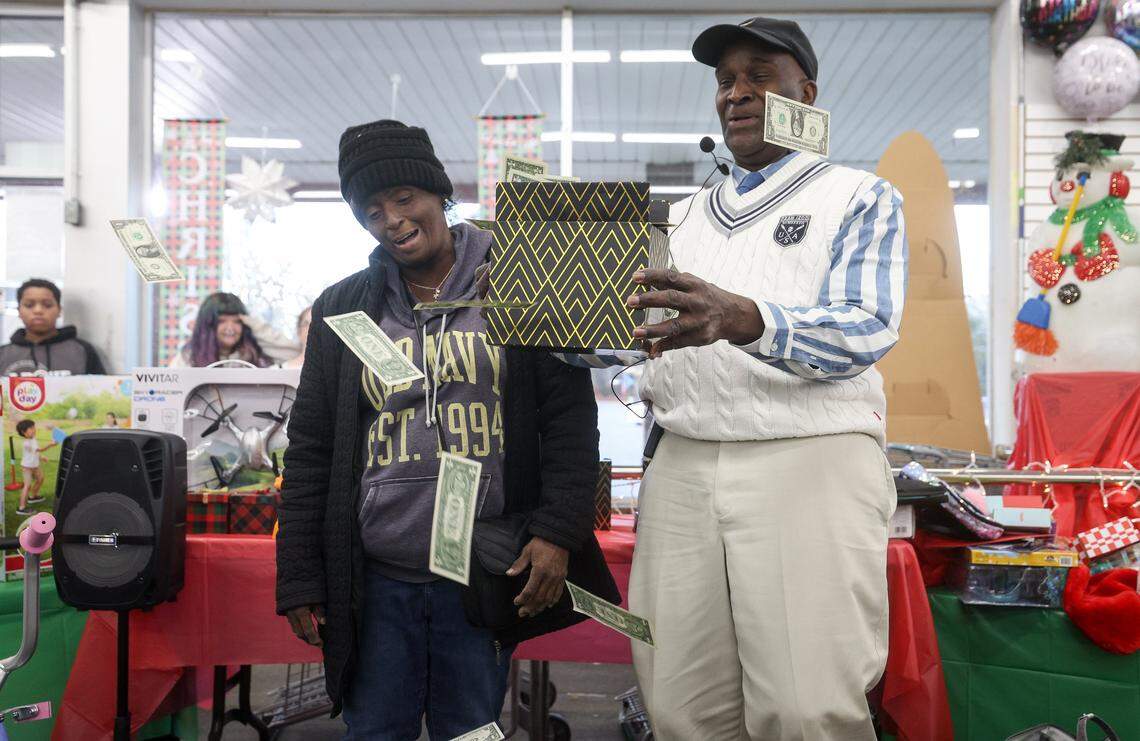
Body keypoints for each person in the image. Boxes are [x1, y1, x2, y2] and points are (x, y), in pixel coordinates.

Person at [568, 18, 908, 740]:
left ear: (805, 94)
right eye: (725, 80)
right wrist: (551, 325)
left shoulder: (858, 196)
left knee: (804, 705)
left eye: (760, 74)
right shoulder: (679, 217)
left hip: (807, 458)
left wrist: (746, 318)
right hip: (684, 460)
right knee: (682, 704)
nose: (737, 92)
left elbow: (866, 327)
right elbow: (634, 344)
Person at [275, 119, 617, 740]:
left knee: (471, 731)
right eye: (372, 210)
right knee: (375, 730)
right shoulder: (343, 307)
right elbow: (312, 449)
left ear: (439, 194)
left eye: (405, 199)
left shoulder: (519, 282)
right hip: (375, 578)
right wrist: (300, 574)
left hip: (482, 570)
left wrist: (557, 531)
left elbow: (568, 420)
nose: (394, 221)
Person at [0, 279, 106, 376]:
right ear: (19, 311)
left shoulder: (82, 350)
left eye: (47, 305)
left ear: (59, 310)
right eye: (29, 305)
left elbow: (100, 391)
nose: (38, 310)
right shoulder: (3, 354)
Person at [169, 292, 299, 368]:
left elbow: (294, 354)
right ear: (208, 325)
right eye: (222, 321)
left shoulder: (254, 353)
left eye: (237, 321)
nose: (230, 328)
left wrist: (255, 326)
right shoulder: (189, 357)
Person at [15, 419, 57, 516]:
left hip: (35, 465)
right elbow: (39, 449)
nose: (34, 430)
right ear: (23, 432)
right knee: (27, 486)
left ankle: (33, 497)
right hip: (27, 467)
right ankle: (21, 508)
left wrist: (42, 457)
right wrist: (50, 444)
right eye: (31, 428)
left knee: (40, 479)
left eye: (34, 427)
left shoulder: (33, 439)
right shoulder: (26, 443)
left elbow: (36, 452)